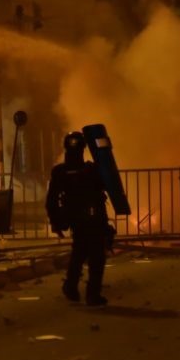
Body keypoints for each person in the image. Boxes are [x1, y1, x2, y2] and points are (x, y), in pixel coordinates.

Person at [46, 131, 110, 306]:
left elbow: (51, 200)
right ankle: (87, 292)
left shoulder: (68, 171)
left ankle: (76, 288)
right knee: (91, 254)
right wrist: (56, 221)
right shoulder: (80, 170)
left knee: (82, 253)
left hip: (87, 218)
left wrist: (56, 222)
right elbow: (52, 199)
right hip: (84, 219)